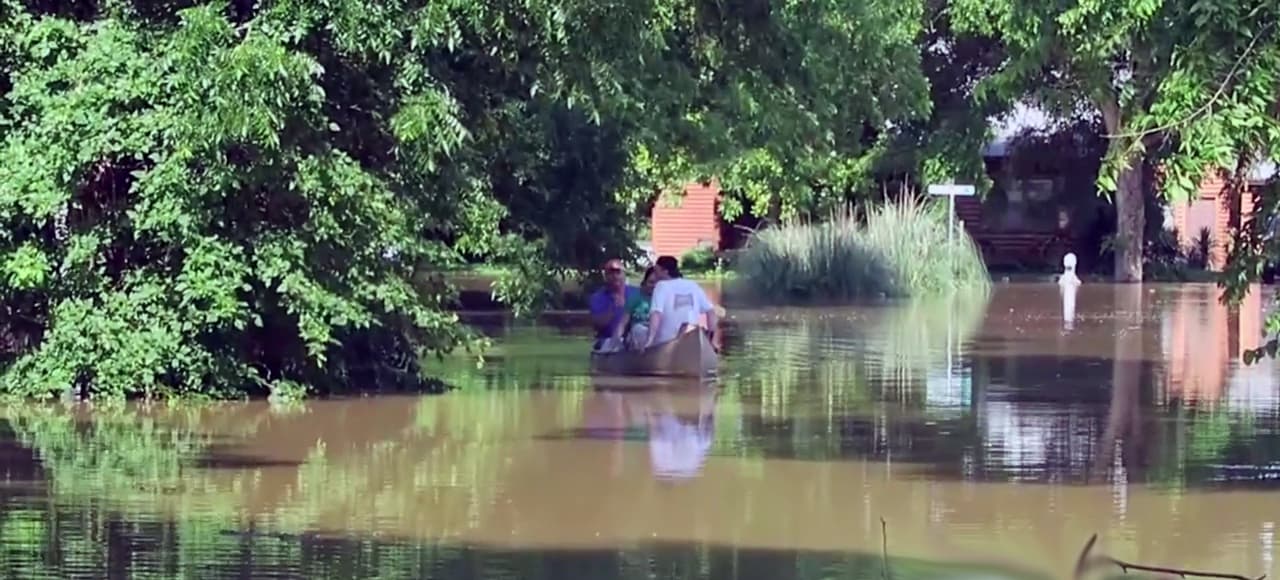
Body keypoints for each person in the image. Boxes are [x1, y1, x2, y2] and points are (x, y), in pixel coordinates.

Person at [644, 256, 718, 348]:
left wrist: (649, 340)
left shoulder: (661, 286)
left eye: (656, 270)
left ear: (665, 271)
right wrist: (711, 340)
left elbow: (656, 313)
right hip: (690, 341)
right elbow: (710, 311)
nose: (655, 274)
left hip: (666, 343)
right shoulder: (693, 285)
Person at [589, 258, 642, 352]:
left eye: (618, 272)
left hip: (632, 339)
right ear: (605, 276)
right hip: (607, 340)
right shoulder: (598, 297)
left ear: (624, 274)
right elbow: (597, 325)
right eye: (611, 273)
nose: (615, 276)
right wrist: (613, 309)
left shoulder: (636, 293)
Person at [617, 267, 658, 350]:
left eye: (657, 283)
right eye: (651, 282)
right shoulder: (635, 298)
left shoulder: (664, 299)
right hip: (637, 336)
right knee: (638, 329)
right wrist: (618, 339)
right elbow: (623, 323)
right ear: (645, 282)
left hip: (658, 334)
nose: (654, 286)